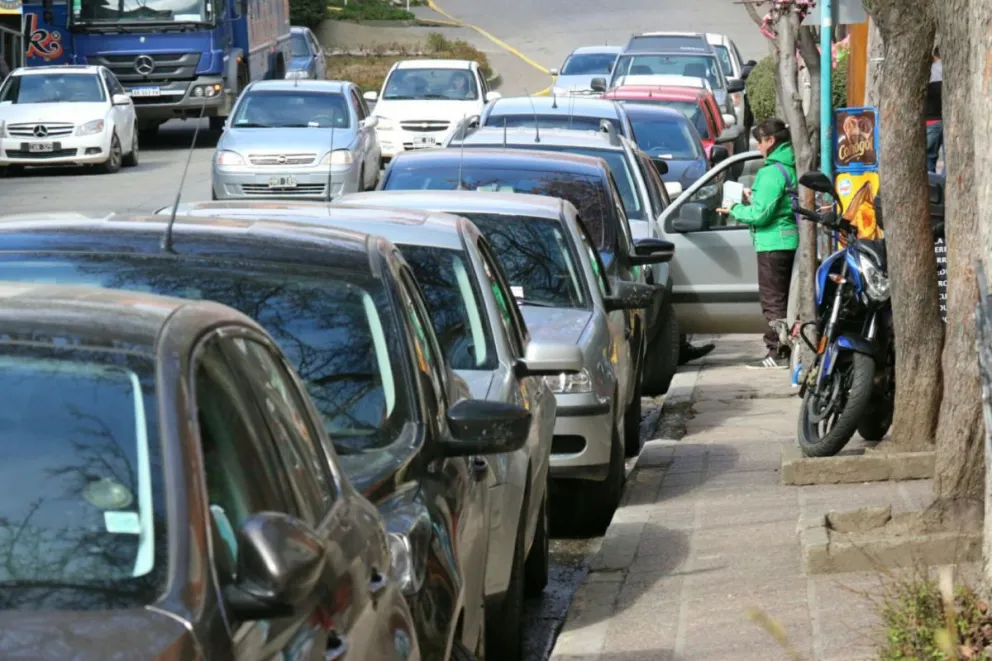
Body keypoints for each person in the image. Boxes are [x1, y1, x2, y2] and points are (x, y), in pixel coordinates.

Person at [716, 118, 798, 368]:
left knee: (773, 303)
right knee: (783, 299)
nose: (758, 147)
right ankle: (782, 350)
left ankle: (777, 352)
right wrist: (753, 197)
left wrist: (735, 209)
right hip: (786, 240)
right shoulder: (788, 166)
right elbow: (774, 204)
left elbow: (762, 215)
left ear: (771, 141)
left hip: (773, 244)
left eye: (760, 142)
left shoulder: (771, 172)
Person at [925, 47, 943, 173]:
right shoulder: (945, 70)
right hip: (943, 119)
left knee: (929, 159)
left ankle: (932, 189)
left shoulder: (929, 71)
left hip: (931, 120)